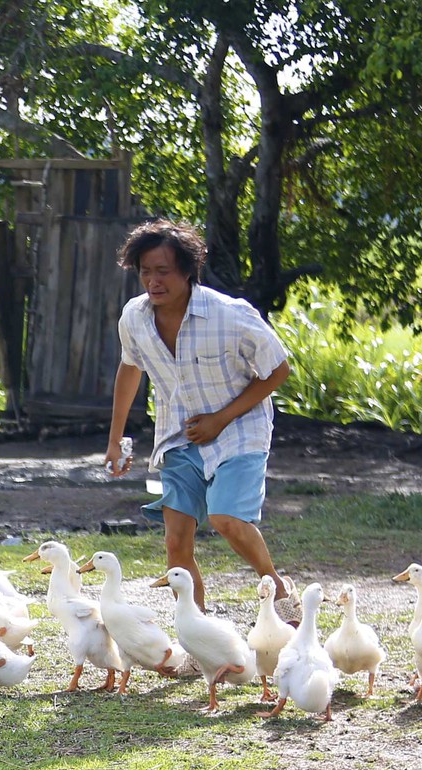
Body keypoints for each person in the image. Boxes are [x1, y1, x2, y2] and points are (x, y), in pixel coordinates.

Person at [104, 218, 292, 611]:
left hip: (239, 429)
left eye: (163, 272)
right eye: (145, 273)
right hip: (178, 435)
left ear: (188, 271)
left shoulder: (231, 315)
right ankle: (197, 634)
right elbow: (130, 367)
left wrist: (220, 418)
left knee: (226, 518)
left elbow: (278, 369)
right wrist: (115, 441)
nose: (153, 282)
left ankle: (277, 590)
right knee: (175, 544)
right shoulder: (134, 317)